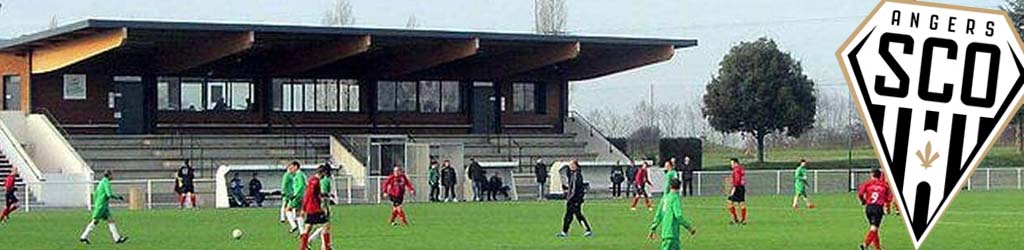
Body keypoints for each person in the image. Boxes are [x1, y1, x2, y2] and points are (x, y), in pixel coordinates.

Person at [79, 170, 128, 245]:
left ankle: (117, 238)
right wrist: (118, 197)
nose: (113, 176)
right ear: (109, 175)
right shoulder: (106, 182)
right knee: (95, 221)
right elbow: (109, 194)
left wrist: (97, 202)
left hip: (102, 205)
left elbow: (96, 194)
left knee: (111, 220)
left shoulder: (101, 182)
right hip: (101, 206)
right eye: (112, 175)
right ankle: (83, 237)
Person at [648, 179, 697, 250]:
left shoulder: (665, 198)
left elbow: (658, 215)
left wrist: (653, 228)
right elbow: (678, 216)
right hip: (672, 233)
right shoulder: (675, 198)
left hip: (666, 232)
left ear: (670, 186)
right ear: (680, 187)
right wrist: (689, 227)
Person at [299, 164, 333, 250]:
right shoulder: (315, 181)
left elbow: (310, 194)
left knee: (308, 227)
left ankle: (303, 247)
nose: (324, 177)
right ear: (322, 173)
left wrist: (322, 194)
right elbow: (310, 194)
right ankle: (326, 247)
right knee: (326, 225)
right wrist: (304, 208)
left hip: (310, 208)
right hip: (315, 208)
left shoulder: (312, 180)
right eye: (325, 174)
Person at [557, 159, 593, 238]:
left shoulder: (577, 175)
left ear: (574, 166)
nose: (569, 167)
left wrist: (572, 198)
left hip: (575, 200)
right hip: (573, 199)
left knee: (578, 215)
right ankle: (564, 232)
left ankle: (587, 230)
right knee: (568, 216)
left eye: (571, 165)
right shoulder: (573, 174)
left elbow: (576, 189)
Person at [857, 169, 892, 250]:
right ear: (880, 176)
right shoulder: (885, 185)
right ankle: (865, 245)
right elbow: (889, 198)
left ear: (872, 175)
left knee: (873, 228)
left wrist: (863, 201)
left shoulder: (867, 184)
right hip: (878, 208)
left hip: (868, 208)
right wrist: (885, 201)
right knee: (874, 228)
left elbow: (860, 193)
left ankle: (877, 248)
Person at [727, 158, 747, 225]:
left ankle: (735, 219)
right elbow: (743, 175)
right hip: (742, 187)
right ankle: (743, 220)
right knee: (741, 203)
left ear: (736, 163)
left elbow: (737, 180)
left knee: (729, 202)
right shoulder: (740, 168)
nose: (731, 165)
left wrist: (733, 189)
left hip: (737, 187)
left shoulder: (736, 170)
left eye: (732, 163)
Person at [290, 162, 309, 233]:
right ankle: (302, 231)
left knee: (288, 210)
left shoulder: (299, 174)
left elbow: (301, 185)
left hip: (299, 196)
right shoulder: (300, 174)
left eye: (291, 167)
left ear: (296, 167)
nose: (291, 169)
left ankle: (294, 225)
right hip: (301, 195)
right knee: (299, 213)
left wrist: (295, 194)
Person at [281, 163, 297, 231]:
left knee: (289, 205)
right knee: (285, 205)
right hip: (287, 193)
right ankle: (282, 218)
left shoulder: (290, 175)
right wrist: (283, 192)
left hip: (290, 192)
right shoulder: (287, 175)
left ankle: (291, 218)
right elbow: (284, 184)